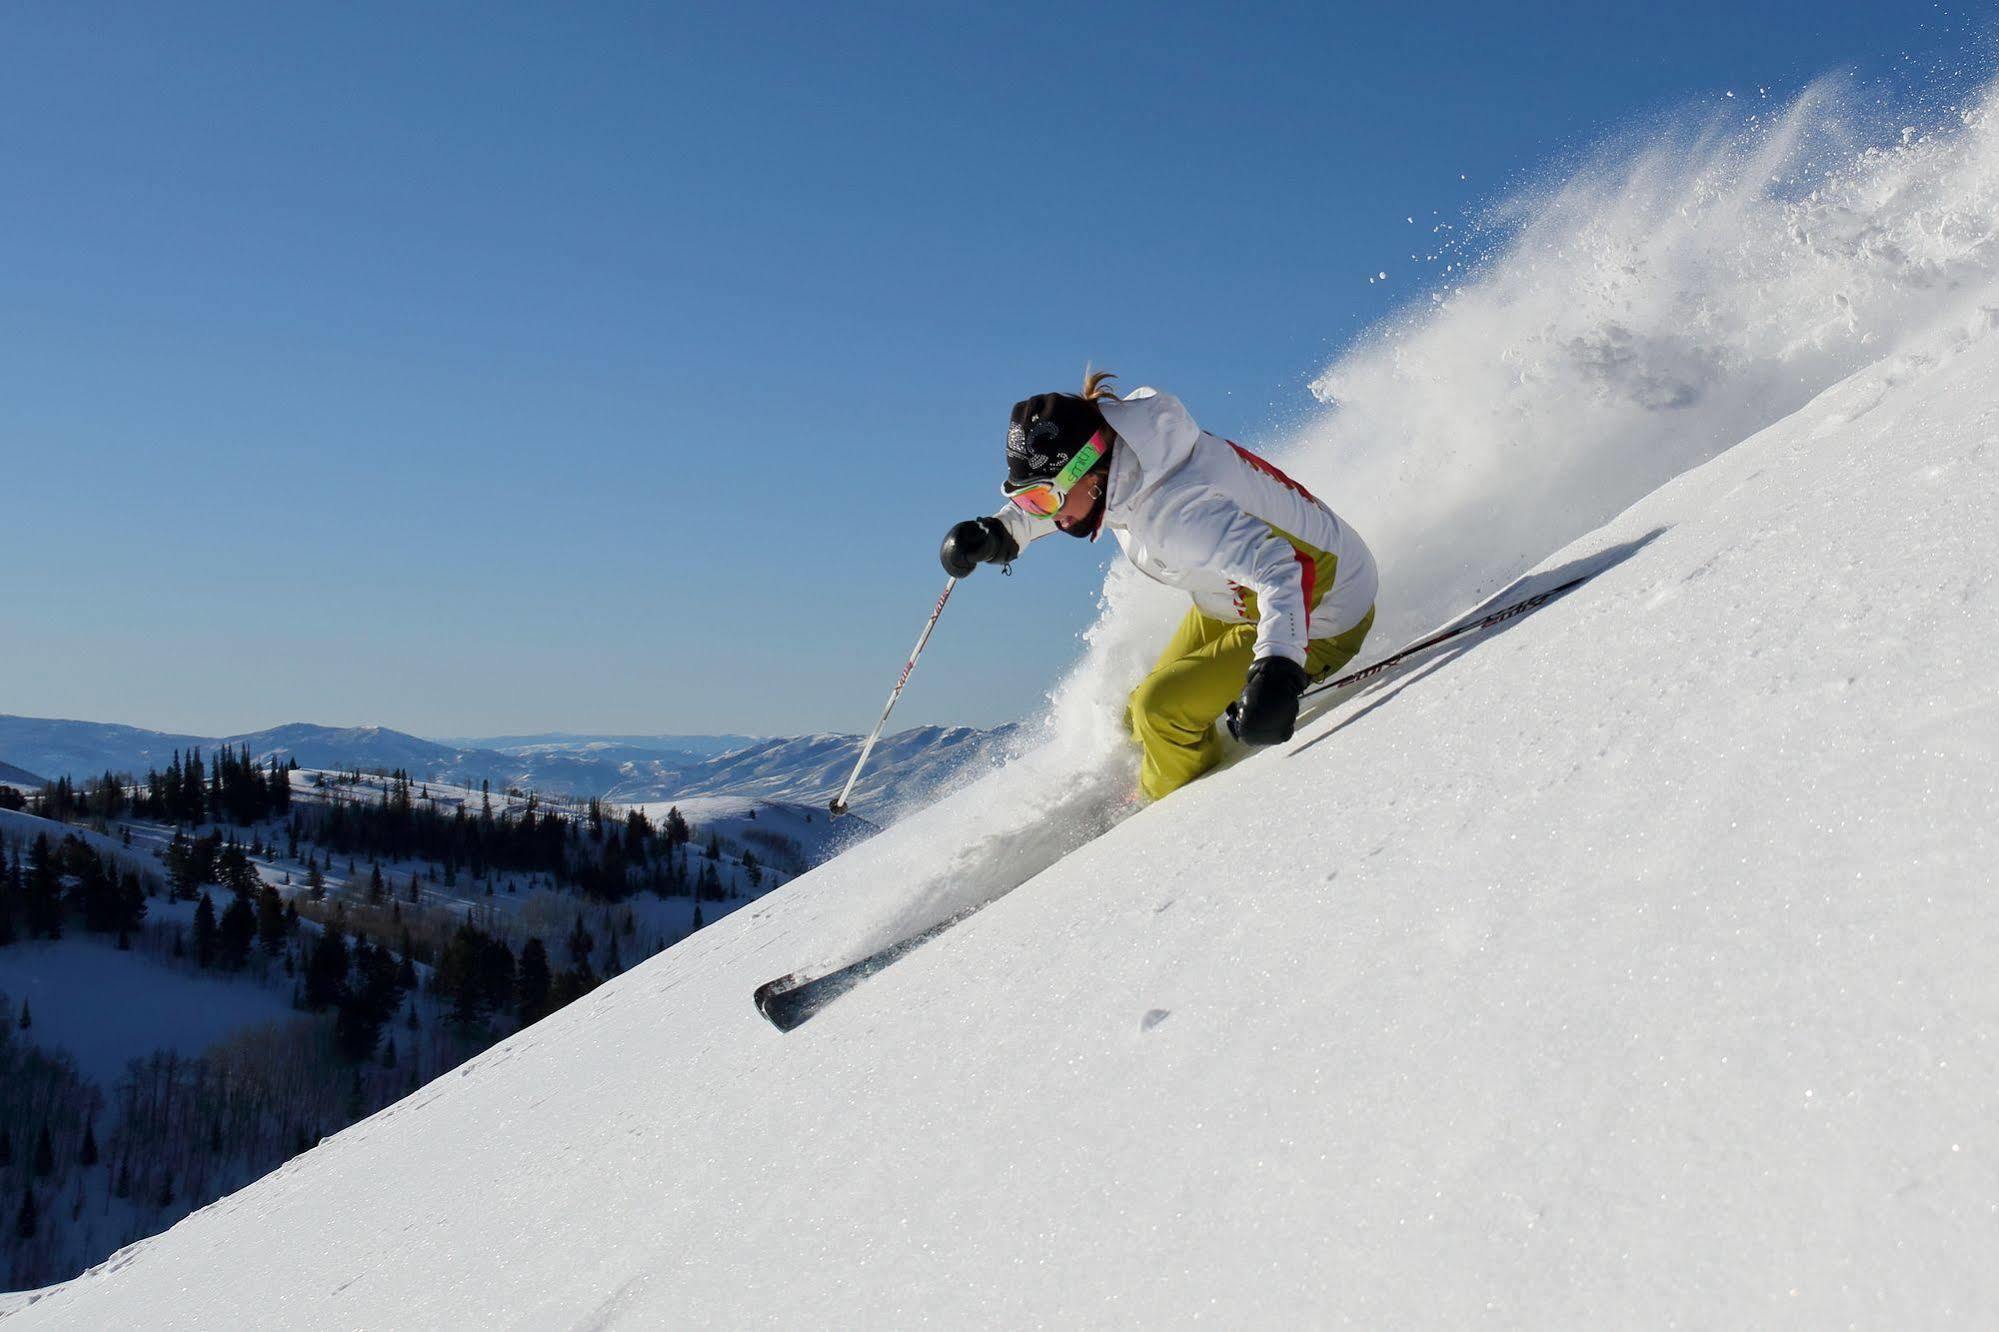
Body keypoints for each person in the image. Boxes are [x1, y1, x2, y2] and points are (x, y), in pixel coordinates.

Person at [941, 372, 1378, 802]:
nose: (1046, 515)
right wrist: (1001, 530)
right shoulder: (1124, 454)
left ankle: (1165, 821)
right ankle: (1162, 773)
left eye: (1042, 501)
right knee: (1135, 716)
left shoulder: (1178, 511)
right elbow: (1058, 494)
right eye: (1026, 501)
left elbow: (1286, 571)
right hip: (1235, 597)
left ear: (1089, 473)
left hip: (1324, 608)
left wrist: (1279, 671)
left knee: (1161, 712)